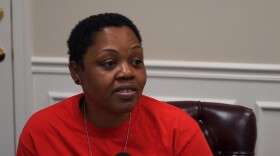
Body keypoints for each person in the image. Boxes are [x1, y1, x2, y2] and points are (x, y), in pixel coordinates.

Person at [17, 13, 212, 156]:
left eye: (136, 61)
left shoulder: (178, 130)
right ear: (77, 72)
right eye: (109, 63)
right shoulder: (41, 130)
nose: (127, 73)